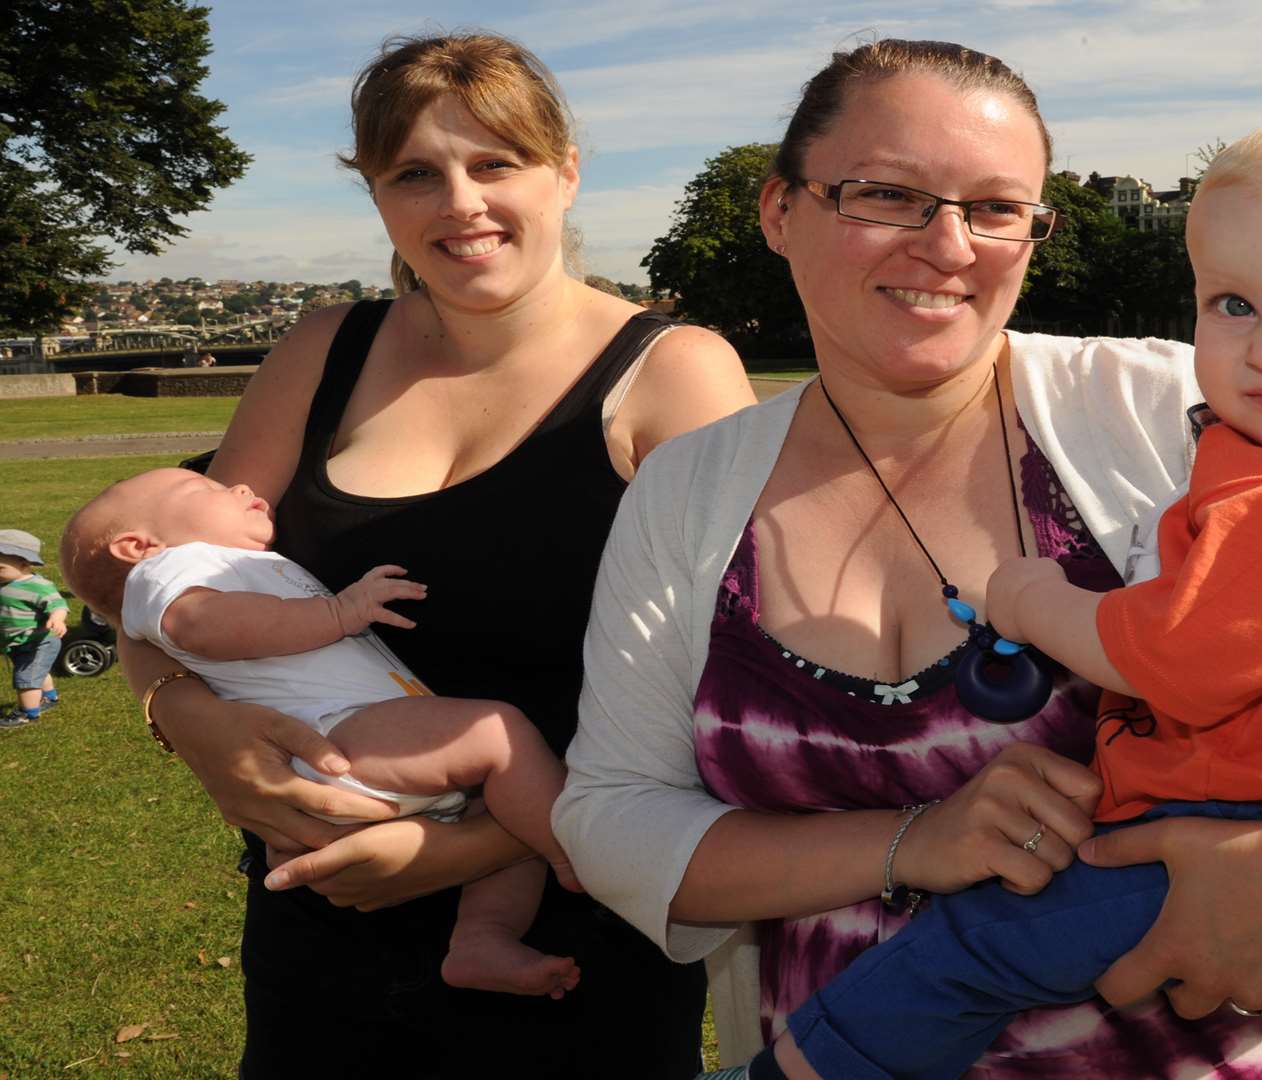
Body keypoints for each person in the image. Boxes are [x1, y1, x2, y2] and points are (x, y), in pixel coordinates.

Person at [555, 39, 1262, 1078]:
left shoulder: (1212, 402)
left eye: (994, 208)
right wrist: (912, 843)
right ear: (781, 210)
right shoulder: (688, 491)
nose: (948, 245)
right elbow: (614, 817)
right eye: (885, 193)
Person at [741, 106, 1262, 1080]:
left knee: (971, 951)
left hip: (1237, 852)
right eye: (1234, 304)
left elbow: (1169, 659)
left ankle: (799, 1071)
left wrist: (1033, 599)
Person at [118, 32, 756, 1078]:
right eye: (416, 172)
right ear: (377, 195)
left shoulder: (672, 376)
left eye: (495, 162)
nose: (460, 203)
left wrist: (464, 849)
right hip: (317, 924)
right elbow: (155, 595)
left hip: (570, 939)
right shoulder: (322, 351)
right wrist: (197, 731)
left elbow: (733, 689)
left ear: (565, 173)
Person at [63, 467, 588, 999]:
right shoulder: (169, 568)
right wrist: (341, 610)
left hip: (356, 745)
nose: (242, 487)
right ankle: (577, 854)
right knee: (498, 733)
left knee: (499, 803)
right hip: (337, 736)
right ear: (136, 544)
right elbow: (196, 624)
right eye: (205, 488)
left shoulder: (234, 564)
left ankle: (482, 939)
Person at [1, 529, 67, 729]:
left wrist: (58, 619)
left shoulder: (38, 586)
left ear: (23, 564)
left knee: (26, 678)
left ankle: (27, 714)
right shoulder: (5, 582)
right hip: (17, 641)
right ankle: (49, 698)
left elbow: (58, 604)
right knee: (37, 671)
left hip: (39, 642)